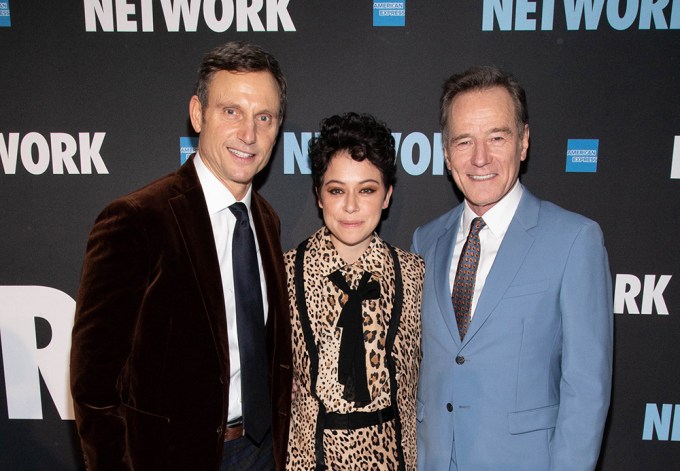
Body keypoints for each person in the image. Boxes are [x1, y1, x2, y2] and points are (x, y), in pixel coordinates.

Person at [70, 41, 292, 470]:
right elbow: (94, 387)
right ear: (197, 114)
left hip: (261, 451)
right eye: (231, 112)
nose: (249, 134)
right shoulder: (135, 220)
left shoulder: (266, 220)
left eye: (263, 117)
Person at [412, 66, 613, 471]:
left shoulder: (575, 240)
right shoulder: (425, 240)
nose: (480, 158)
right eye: (464, 141)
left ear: (523, 142)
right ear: (447, 153)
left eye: (497, 137)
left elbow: (586, 389)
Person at [285, 112, 424, 470]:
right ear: (319, 196)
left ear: (387, 196)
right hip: (308, 461)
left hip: (394, 459)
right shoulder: (284, 273)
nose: (350, 206)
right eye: (336, 190)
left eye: (366, 189)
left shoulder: (415, 275)